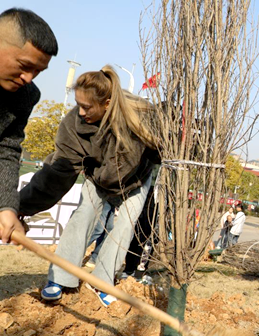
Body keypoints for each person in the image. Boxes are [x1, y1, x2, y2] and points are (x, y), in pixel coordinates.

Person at [19, 65, 159, 306]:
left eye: (87, 107)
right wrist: (19, 206)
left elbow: (122, 169)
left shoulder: (136, 119)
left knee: (126, 224)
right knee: (82, 214)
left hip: (136, 177)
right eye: (78, 104)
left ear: (106, 104)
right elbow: (57, 172)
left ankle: (104, 281)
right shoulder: (73, 124)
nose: (80, 112)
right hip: (98, 175)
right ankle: (59, 277)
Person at [0, 8, 57, 244]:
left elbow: (6, 149)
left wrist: (6, 207)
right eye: (24, 65)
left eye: (38, 71)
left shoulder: (25, 95)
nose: (28, 78)